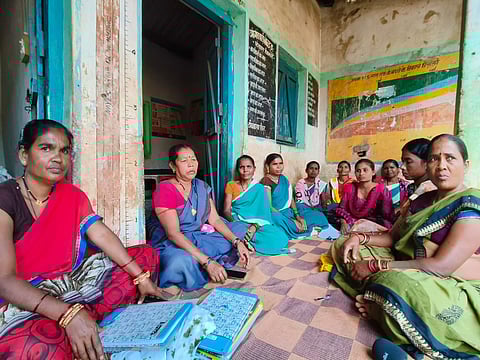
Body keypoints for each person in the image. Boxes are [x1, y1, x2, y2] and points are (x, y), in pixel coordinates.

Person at [0, 120, 165, 360]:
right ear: (24, 155)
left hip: (72, 280)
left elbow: (101, 234)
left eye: (64, 150)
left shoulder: (72, 195)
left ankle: (87, 319)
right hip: (27, 292)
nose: (58, 158)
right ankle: (84, 320)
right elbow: (4, 280)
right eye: (46, 148)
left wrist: (140, 276)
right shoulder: (5, 198)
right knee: (35, 346)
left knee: (145, 256)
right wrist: (67, 314)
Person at [330, 134, 480, 358]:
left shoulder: (470, 203)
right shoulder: (421, 201)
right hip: (411, 266)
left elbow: (442, 266)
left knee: (398, 285)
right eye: (434, 159)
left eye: (450, 158)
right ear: (427, 164)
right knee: (343, 244)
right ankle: (380, 300)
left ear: (466, 165)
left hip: (450, 282)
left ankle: (388, 312)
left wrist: (375, 266)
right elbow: (392, 238)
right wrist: (358, 239)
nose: (441, 166)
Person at [147, 144, 250, 291]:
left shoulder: (201, 186)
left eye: (193, 159)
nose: (191, 164)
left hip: (198, 236)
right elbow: (173, 234)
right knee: (179, 263)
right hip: (173, 242)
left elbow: (215, 220)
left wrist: (237, 242)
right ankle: (207, 261)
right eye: (184, 160)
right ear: (173, 165)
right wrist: (207, 262)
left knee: (238, 228)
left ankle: (207, 258)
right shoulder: (165, 189)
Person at [223, 155, 289, 255]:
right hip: (237, 219)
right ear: (237, 169)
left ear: (254, 169)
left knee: (281, 237)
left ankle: (248, 241)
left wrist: (254, 226)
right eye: (242, 167)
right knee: (233, 228)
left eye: (249, 167)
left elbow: (264, 214)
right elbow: (226, 210)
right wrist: (235, 221)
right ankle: (247, 241)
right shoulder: (231, 185)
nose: (245, 170)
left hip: (257, 223)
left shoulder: (260, 188)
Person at [259, 153, 329, 239]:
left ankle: (296, 226)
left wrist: (297, 216)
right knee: (275, 219)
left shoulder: (284, 179)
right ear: (267, 166)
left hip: (289, 212)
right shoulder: (266, 181)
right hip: (276, 214)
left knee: (318, 215)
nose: (279, 167)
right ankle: (296, 227)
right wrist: (292, 220)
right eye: (275, 164)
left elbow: (290, 198)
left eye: (281, 163)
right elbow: (269, 207)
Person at [336, 159, 394, 234]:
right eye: (358, 171)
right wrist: (343, 222)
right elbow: (342, 209)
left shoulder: (382, 190)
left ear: (373, 172)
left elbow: (387, 215)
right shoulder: (350, 187)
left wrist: (366, 224)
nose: (361, 173)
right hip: (351, 221)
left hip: (374, 223)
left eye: (365, 170)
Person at [295, 161, 341, 239]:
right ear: (306, 170)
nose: (313, 171)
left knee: (336, 206)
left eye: (316, 169)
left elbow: (323, 201)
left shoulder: (320, 183)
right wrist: (312, 207)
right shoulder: (301, 183)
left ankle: (317, 219)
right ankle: (315, 222)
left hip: (316, 206)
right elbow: (299, 199)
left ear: (318, 171)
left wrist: (324, 207)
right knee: (313, 213)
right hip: (303, 206)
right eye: (311, 168)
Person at [399, 138, 437, 215]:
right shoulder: (411, 187)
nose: (402, 167)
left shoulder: (429, 189)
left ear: (427, 163)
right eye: (403, 161)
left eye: (408, 162)